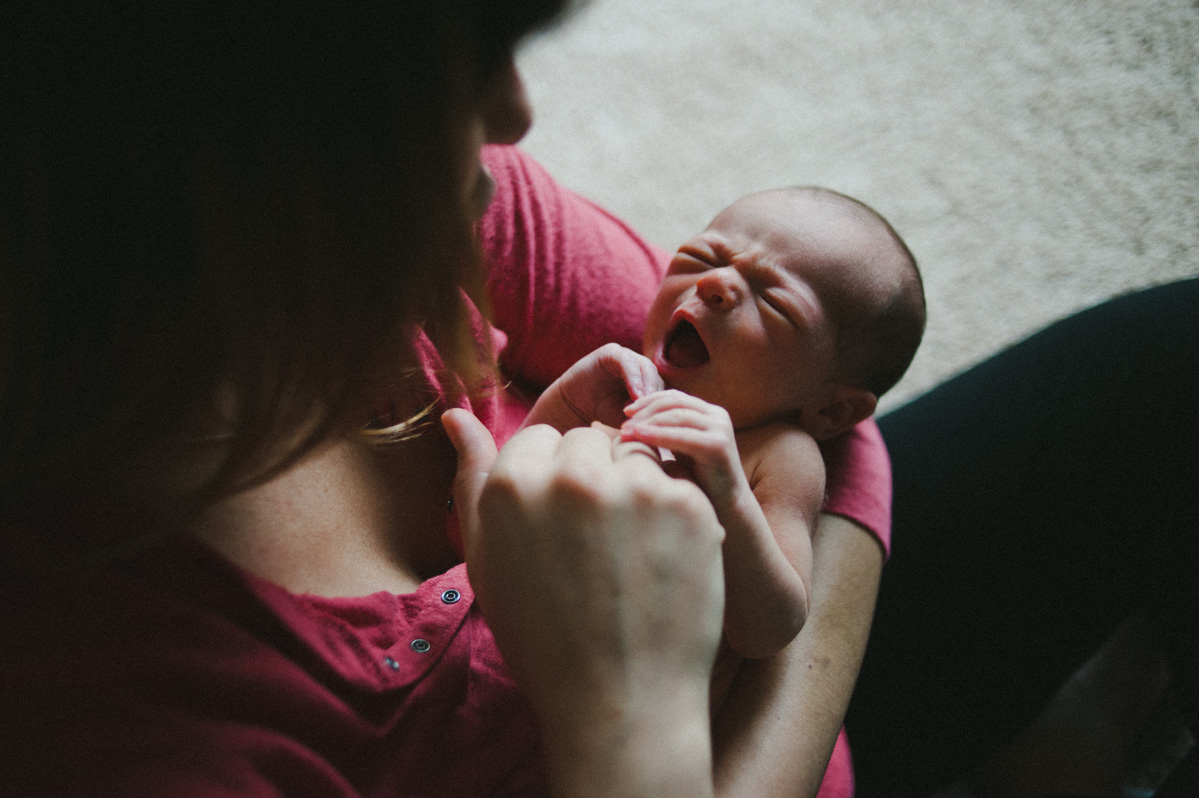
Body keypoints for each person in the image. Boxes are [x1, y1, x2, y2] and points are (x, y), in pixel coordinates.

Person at [0, 5, 884, 797]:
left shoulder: (442, 212)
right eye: (445, 75)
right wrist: (628, 721)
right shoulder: (105, 727)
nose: (513, 113)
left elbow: (836, 407)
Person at [521, 187, 925, 709]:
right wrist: (568, 402)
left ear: (831, 410)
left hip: (625, 706)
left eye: (776, 302)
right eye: (699, 258)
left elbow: (769, 629)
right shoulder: (619, 388)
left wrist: (728, 492)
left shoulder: (775, 453)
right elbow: (513, 489)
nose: (713, 282)